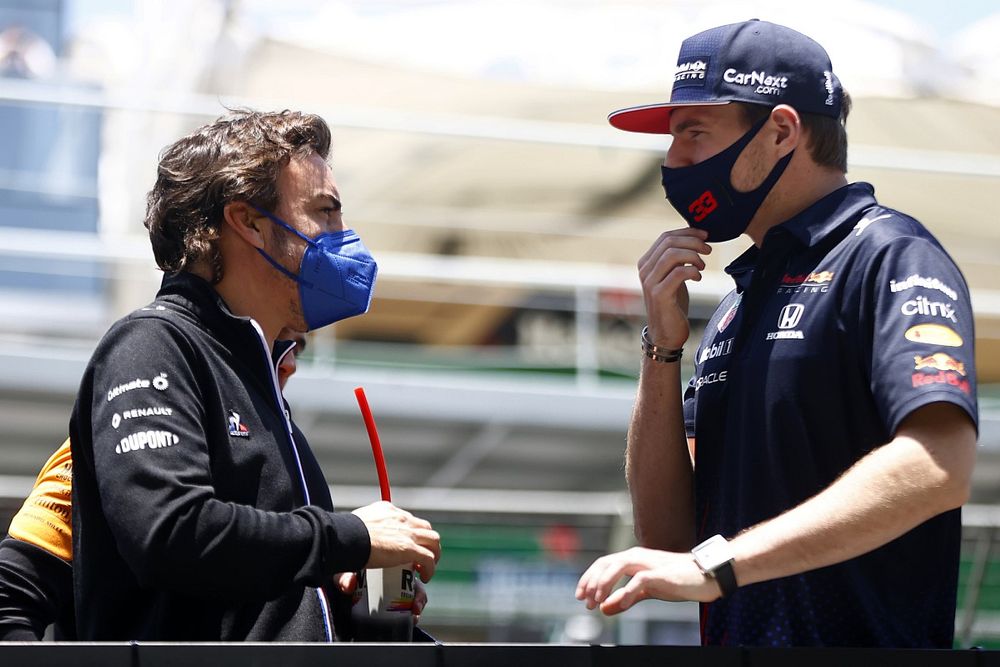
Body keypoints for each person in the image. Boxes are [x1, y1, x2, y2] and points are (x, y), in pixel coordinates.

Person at [576, 19, 978, 647]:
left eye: (694, 133)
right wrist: (663, 349)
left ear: (782, 131)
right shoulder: (741, 296)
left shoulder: (889, 255)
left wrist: (719, 566)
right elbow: (669, 540)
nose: (673, 161)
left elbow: (939, 466)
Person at [67, 109, 440, 641]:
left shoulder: (259, 382)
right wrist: (351, 538)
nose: (345, 236)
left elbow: (259, 596)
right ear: (249, 223)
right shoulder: (153, 345)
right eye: (326, 212)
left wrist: (342, 596)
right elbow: (171, 532)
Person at [0, 328, 371, 640]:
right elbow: (9, 594)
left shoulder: (287, 452)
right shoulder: (127, 436)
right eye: (276, 343)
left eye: (297, 349)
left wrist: (336, 590)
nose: (288, 362)